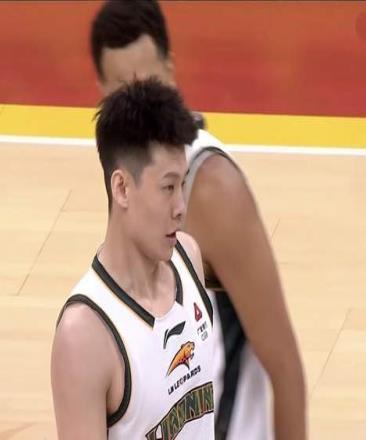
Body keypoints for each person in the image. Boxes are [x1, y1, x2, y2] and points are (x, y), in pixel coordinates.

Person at [90, 2, 307, 440]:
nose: (139, 109)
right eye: (124, 94)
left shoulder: (212, 189)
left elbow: (285, 365)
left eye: (148, 86)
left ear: (170, 71)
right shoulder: (128, 177)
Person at [51, 78, 218, 439]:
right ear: (122, 188)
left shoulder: (188, 257)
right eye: (168, 187)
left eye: (182, 185)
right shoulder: (84, 335)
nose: (181, 207)